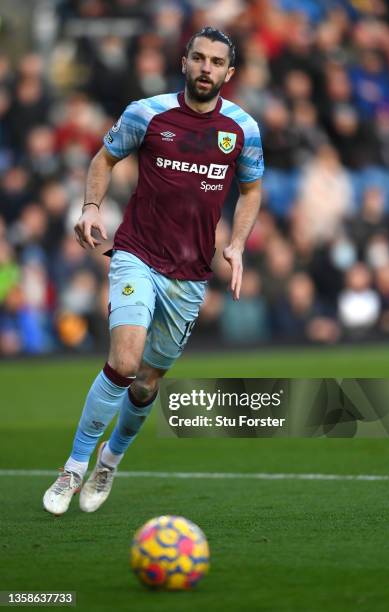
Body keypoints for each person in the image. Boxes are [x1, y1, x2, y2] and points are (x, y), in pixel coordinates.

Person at [43, 27, 264, 515]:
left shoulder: (243, 129)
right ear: (184, 61)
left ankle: (110, 460)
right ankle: (74, 468)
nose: (206, 68)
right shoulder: (146, 112)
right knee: (124, 362)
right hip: (137, 254)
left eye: (216, 62)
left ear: (230, 73)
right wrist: (92, 206)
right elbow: (104, 158)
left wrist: (237, 244)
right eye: (199, 58)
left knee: (145, 384)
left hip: (189, 275)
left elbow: (250, 190)